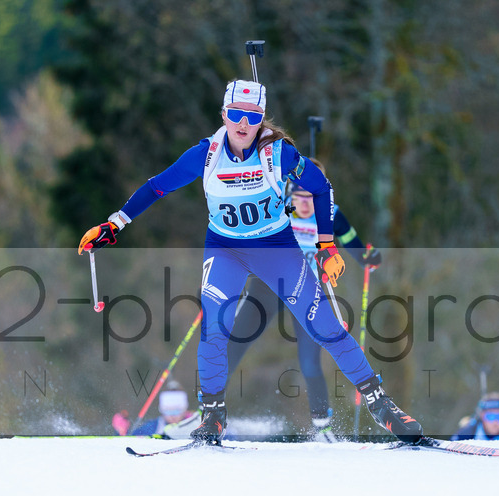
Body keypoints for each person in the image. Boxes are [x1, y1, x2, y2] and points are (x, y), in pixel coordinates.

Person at [79, 79, 422, 444]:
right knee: (214, 327)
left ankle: (381, 404)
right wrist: (115, 223)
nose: (243, 124)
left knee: (325, 325)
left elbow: (321, 186)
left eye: (252, 116)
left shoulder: (277, 154)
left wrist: (327, 246)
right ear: (224, 115)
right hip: (225, 249)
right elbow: (156, 187)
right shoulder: (205, 155)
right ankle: (212, 415)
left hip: (277, 249)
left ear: (261, 119)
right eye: (235, 114)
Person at [226, 159, 382, 441]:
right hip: (268, 285)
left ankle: (322, 428)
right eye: (300, 196)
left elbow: (350, 240)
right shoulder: (278, 207)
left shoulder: (330, 212)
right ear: (290, 190)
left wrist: (367, 257)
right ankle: (208, 412)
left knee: (310, 362)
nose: (306, 204)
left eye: (312, 197)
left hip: (307, 291)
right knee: (234, 343)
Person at [112, 379, 200, 438]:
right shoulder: (154, 426)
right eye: (168, 411)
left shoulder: (195, 422)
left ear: (185, 409)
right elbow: (132, 438)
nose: (173, 416)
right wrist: (121, 430)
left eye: (177, 411)